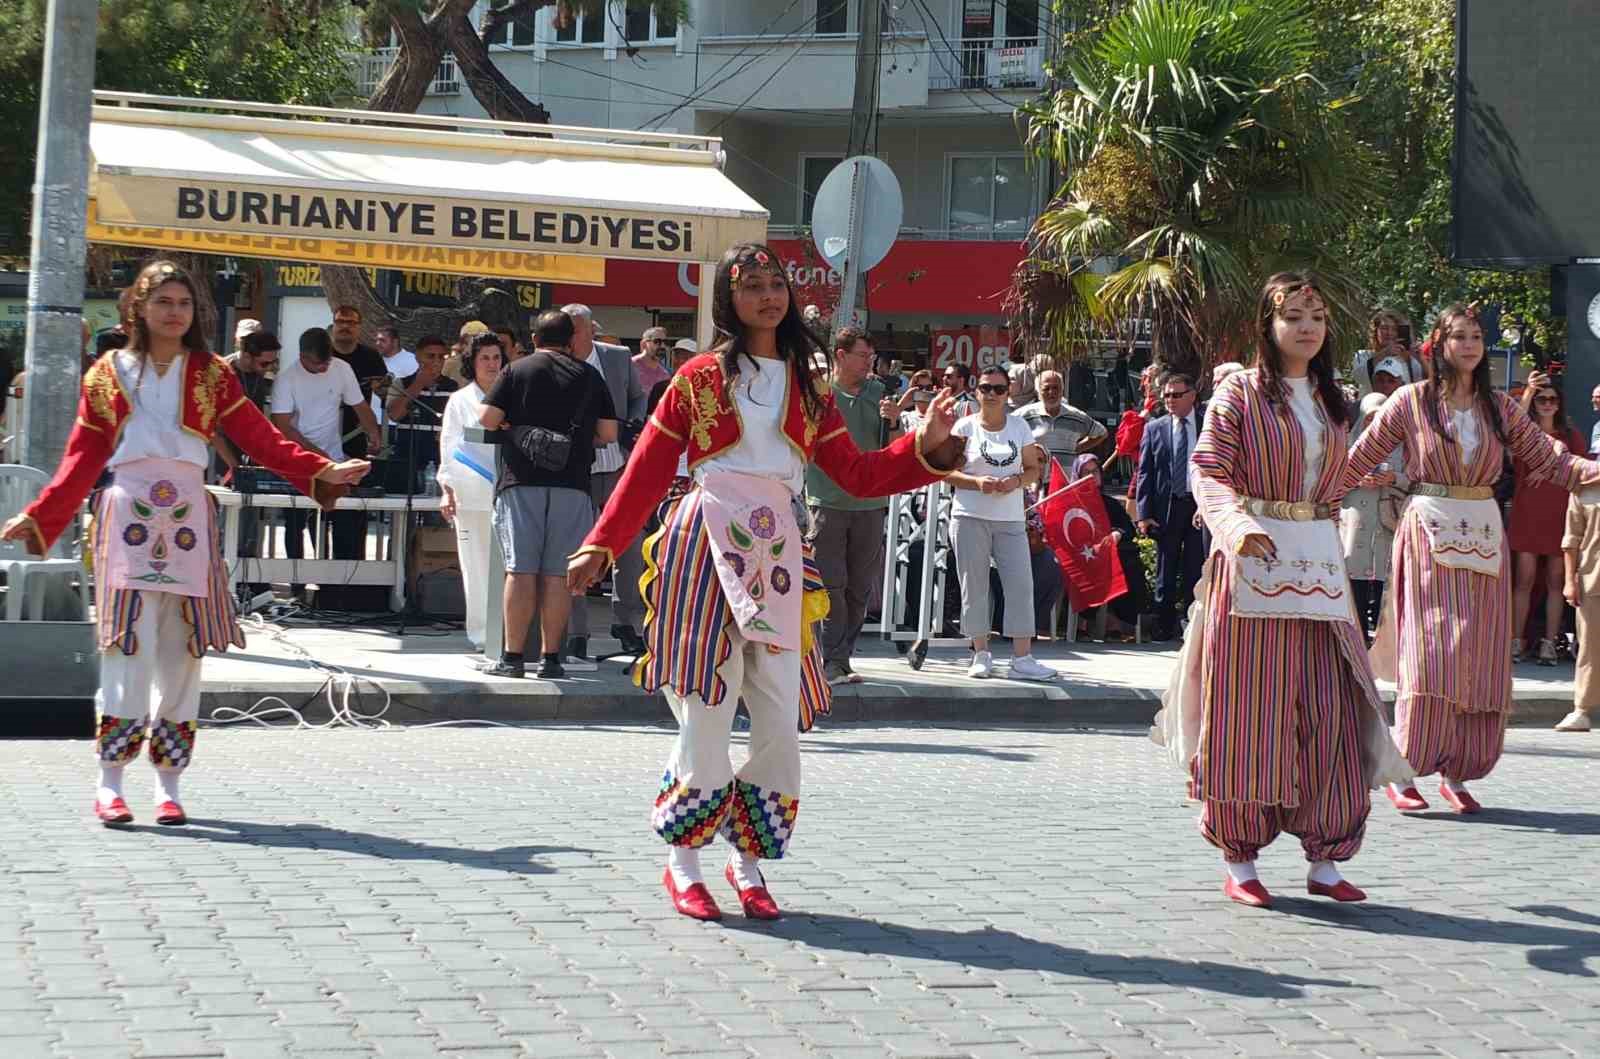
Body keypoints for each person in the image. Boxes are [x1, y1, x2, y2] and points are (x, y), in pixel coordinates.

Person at [566, 243, 963, 922]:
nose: (767, 296)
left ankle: (747, 859)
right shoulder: (696, 378)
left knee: (779, 712)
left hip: (778, 551)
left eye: (775, 283)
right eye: (751, 286)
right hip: (703, 541)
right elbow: (648, 469)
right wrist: (602, 542)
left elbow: (858, 476)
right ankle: (684, 859)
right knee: (707, 700)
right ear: (729, 298)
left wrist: (924, 446)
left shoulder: (809, 387)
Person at [0, 261, 368, 827]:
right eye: (164, 301)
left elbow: (258, 437)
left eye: (184, 303)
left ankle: (168, 783)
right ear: (139, 307)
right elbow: (82, 455)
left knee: (183, 651)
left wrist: (320, 470)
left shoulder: (210, 374)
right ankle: (110, 781)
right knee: (127, 646)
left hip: (190, 518)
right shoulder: (108, 373)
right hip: (128, 517)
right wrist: (43, 513)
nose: (175, 312)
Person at [1155, 272, 1409, 908]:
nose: (1306, 326)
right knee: (1251, 714)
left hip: (1321, 568)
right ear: (1268, 326)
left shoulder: (1332, 400)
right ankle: (1240, 858)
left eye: (1316, 316)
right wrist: (1235, 525)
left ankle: (1327, 856)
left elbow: (1333, 476)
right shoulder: (1239, 392)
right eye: (1292, 315)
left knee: (1334, 712)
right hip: (1252, 572)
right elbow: (1209, 469)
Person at [1344, 304, 1600, 814]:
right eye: (1458, 336)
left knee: (1480, 656)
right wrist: (1299, 503)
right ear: (1438, 345)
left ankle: (1459, 769)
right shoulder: (1410, 401)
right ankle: (1404, 765)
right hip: (1427, 530)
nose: (1468, 345)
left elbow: (1549, 460)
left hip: (1484, 531)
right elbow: (1358, 458)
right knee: (1431, 652)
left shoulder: (1500, 407)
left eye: (1476, 336)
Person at [480, 310, 617, 679]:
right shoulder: (590, 376)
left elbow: (488, 420)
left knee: (520, 571)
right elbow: (608, 433)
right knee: (558, 575)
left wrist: (514, 425)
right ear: (572, 341)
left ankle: (511, 659)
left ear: (535, 339)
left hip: (520, 480)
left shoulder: (517, 370)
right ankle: (551, 659)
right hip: (572, 484)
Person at [944, 365, 1056, 681]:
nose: (991, 394)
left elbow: (1034, 469)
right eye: (985, 388)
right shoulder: (964, 427)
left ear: (1008, 393)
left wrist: (1016, 480)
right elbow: (944, 472)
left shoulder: (1019, 426)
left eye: (998, 388)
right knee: (974, 584)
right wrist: (977, 483)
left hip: (1009, 517)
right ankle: (980, 652)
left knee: (1020, 584)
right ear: (976, 391)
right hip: (969, 515)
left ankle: (1023, 657)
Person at [805, 326, 902, 685]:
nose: (869, 364)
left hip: (870, 504)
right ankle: (828, 659)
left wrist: (893, 420)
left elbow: (894, 449)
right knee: (830, 584)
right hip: (826, 502)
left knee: (858, 588)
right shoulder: (818, 393)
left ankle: (841, 659)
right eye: (863, 356)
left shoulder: (880, 393)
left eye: (872, 358)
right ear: (841, 356)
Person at [562, 302, 648, 658]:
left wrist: (633, 430)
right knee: (578, 550)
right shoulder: (559, 361)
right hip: (577, 472)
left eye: (578, 329)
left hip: (618, 470)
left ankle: (625, 621)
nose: (572, 337)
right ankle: (576, 631)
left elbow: (638, 397)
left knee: (629, 547)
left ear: (590, 330)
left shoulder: (617, 357)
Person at [270, 327, 382, 562]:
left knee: (331, 522)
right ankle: (296, 582)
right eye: (318, 364)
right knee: (296, 523)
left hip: (334, 458)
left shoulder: (341, 369)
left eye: (328, 361)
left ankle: (329, 584)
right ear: (302, 357)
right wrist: (321, 458)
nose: (324, 367)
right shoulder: (286, 380)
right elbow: (284, 428)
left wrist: (374, 433)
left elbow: (360, 406)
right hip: (298, 461)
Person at [1506, 370, 1584, 664]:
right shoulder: (1525, 432)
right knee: (1523, 580)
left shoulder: (1571, 435)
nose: (1548, 403)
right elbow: (1509, 432)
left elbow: (1581, 471)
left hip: (1558, 515)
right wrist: (1527, 391)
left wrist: (1551, 467)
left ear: (1560, 403)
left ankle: (1549, 644)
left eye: (1553, 399)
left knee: (1555, 581)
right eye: (1542, 399)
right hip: (1528, 512)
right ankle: (1516, 641)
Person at [437, 332, 505, 653]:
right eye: (485, 358)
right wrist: (447, 491)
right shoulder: (460, 400)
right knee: (476, 567)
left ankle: (508, 633)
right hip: (471, 494)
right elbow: (448, 448)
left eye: (496, 357)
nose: (492, 364)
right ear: (472, 363)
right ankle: (480, 634)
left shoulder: (513, 394)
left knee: (509, 568)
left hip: (508, 494)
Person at [1340, 357, 1408, 640]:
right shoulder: (1348, 442)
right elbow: (1332, 481)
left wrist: (1393, 479)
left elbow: (1417, 479)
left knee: (1385, 577)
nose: (1374, 422)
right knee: (1354, 577)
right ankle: (1356, 633)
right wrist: (1356, 477)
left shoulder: (1404, 443)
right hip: (1355, 519)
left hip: (1387, 518)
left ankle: (1384, 637)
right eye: (1370, 416)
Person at [1137, 372, 1206, 641]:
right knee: (1165, 569)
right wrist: (1144, 514)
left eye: (1176, 395)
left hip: (1198, 506)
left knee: (1194, 567)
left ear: (1192, 396)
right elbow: (1145, 473)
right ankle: (1162, 625)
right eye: (1166, 395)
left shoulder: (1206, 425)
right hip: (1168, 507)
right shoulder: (1155, 428)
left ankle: (1190, 624)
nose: (1170, 400)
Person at [1068, 452, 1147, 640]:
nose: (1090, 476)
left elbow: (1128, 528)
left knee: (1127, 562)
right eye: (1085, 472)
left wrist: (1117, 533)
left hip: (1108, 552)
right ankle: (1083, 622)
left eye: (1094, 471)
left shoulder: (1110, 503)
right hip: (1081, 554)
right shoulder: (1070, 501)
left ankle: (1118, 621)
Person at [385, 336, 458, 494]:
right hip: (407, 460)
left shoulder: (453, 387)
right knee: (403, 513)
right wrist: (418, 384)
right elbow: (394, 414)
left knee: (435, 515)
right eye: (430, 356)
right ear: (417, 357)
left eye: (441, 357)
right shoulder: (401, 383)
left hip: (440, 462)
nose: (436, 362)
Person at [1559, 484, 1600, 731]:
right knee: (1589, 648)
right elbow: (1571, 538)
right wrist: (1568, 581)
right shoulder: (1584, 490)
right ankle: (1582, 709)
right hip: (1592, 578)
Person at [1015, 369, 1108, 467]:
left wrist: (1076, 448)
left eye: (1056, 388)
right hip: (1034, 479)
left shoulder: (1076, 416)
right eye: (1046, 388)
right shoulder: (1024, 415)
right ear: (1038, 391)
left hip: (1066, 479)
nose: (1051, 392)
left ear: (1062, 390)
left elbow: (1102, 433)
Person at [1352, 310, 1423, 396]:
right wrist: (1385, 353)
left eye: (1394, 329)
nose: (1389, 333)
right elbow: (1359, 377)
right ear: (1375, 331)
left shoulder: (1409, 359)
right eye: (1384, 328)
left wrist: (1419, 357)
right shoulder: (1363, 355)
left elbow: (1422, 382)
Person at [371, 324, 418, 429]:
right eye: (376, 340)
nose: (378, 344)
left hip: (395, 423)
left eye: (382, 340)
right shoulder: (374, 360)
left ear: (395, 342)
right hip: (374, 421)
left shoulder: (411, 361)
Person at [634, 325, 672, 393]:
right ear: (643, 344)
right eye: (657, 341)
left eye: (665, 342)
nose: (662, 346)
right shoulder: (630, 366)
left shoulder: (665, 375)